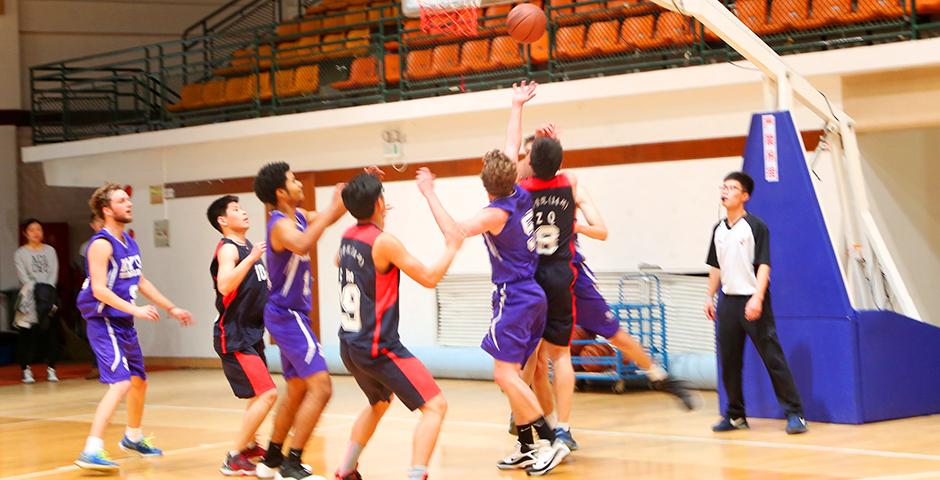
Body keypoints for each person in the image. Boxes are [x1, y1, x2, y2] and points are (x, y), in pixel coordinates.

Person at [419, 81, 571, 476]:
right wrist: (516, 104)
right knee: (515, 373)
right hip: (532, 293)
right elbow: (511, 143)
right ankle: (525, 444)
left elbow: (454, 231)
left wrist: (429, 194)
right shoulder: (519, 191)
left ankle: (551, 440)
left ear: (485, 183)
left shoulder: (494, 212)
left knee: (504, 374)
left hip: (515, 296)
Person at [520, 133, 700, 414]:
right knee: (539, 358)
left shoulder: (570, 189)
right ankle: (539, 421)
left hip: (572, 273)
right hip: (538, 276)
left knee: (615, 334)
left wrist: (575, 227)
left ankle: (659, 377)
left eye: (533, 152)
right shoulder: (524, 190)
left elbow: (601, 230)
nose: (528, 159)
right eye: (526, 153)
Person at [334, 170, 461, 480]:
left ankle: (346, 470)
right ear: (380, 203)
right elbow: (429, 278)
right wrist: (452, 247)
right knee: (435, 406)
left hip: (349, 346)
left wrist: (370, 213)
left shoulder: (348, 236)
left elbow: (340, 261)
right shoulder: (384, 242)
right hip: (378, 348)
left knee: (379, 402)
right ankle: (416, 475)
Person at [74, 183, 194, 471]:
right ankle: (91, 449)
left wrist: (171, 307)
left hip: (123, 321)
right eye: (122, 200)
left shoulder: (129, 241)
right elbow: (100, 290)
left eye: (129, 199)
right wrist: (136, 309)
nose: (129, 203)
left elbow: (140, 281)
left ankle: (133, 437)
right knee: (122, 382)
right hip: (103, 321)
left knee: (139, 380)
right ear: (107, 210)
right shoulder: (101, 244)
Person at [252, 162, 347, 480]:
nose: (298, 183)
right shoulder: (279, 224)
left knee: (295, 388)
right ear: (281, 192)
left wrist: (355, 193)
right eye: (293, 180)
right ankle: (293, 464)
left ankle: (272, 458)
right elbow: (304, 243)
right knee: (321, 388)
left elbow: (330, 218)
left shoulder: (300, 217)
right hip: (286, 315)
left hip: (293, 315)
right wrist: (329, 209)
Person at [704, 171, 808, 435]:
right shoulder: (718, 230)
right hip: (727, 302)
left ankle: (795, 414)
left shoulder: (756, 227)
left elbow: (764, 265)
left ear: (745, 196)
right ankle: (735, 415)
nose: (726, 191)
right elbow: (715, 266)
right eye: (723, 186)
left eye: (732, 187)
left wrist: (758, 297)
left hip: (752, 300)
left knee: (772, 357)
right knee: (728, 361)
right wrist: (709, 295)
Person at [512, 86, 580, 450]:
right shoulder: (571, 184)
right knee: (560, 356)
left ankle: (529, 421)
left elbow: (523, 168)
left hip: (529, 279)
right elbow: (554, 168)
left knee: (529, 359)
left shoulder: (521, 191)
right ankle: (564, 428)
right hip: (559, 276)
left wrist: (535, 145)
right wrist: (553, 144)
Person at [207, 195, 278, 476]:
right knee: (268, 394)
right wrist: (250, 260)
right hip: (233, 335)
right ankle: (234, 456)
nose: (244, 212)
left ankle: (249, 445)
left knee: (256, 395)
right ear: (223, 221)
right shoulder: (228, 249)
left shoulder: (247, 246)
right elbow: (225, 285)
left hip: (251, 332)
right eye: (236, 210)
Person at [14, 218, 60, 384]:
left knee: (50, 333)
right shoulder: (20, 253)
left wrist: (47, 292)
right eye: (32, 230)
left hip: (47, 296)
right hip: (28, 296)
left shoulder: (50, 251)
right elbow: (23, 276)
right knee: (27, 334)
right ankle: (26, 369)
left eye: (39, 229)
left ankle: (52, 369)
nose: (36, 233)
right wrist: (35, 290)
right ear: (25, 233)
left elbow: (53, 274)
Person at [79, 213, 105, 380]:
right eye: (98, 221)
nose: (101, 224)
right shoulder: (86, 247)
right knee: (96, 331)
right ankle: (96, 365)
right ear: (92, 225)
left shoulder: (117, 243)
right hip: (95, 292)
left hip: (114, 293)